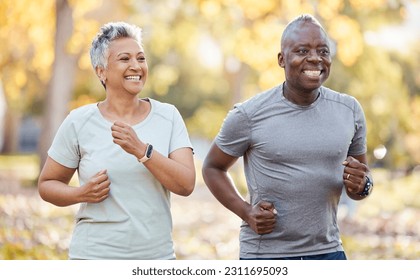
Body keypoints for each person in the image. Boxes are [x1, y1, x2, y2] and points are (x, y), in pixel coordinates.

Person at [202, 14, 373, 260]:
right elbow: (212, 167)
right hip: (266, 256)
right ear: (282, 59)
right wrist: (246, 212)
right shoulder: (249, 114)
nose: (315, 58)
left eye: (323, 51)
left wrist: (363, 184)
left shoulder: (349, 110)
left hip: (328, 252)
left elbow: (360, 184)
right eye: (302, 50)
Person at [38, 21, 195, 260]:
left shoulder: (168, 116)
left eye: (141, 58)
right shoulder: (79, 121)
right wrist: (81, 193)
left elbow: (186, 184)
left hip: (155, 259)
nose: (136, 66)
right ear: (101, 71)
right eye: (125, 59)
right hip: (93, 257)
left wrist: (142, 151)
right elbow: (47, 184)